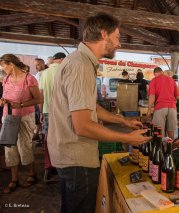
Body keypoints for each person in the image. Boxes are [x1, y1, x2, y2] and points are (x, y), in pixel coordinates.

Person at [47, 13, 150, 213]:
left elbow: (90, 107)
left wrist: (121, 121)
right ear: (104, 34)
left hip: (69, 154)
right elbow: (83, 126)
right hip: (77, 157)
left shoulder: (80, 61)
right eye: (118, 37)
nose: (119, 44)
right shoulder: (81, 66)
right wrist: (127, 138)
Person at [0, 54, 42, 193]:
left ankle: (32, 174)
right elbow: (5, 96)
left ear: (11, 64)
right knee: (9, 147)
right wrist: (3, 101)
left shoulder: (29, 79)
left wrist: (21, 104)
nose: (2, 68)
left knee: (25, 146)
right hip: (8, 117)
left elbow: (38, 99)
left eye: (3, 65)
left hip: (25, 117)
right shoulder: (6, 79)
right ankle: (14, 178)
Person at [39, 52, 66, 182]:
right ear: (61, 60)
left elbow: (41, 95)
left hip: (46, 111)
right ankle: (61, 166)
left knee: (47, 139)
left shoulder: (44, 73)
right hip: (62, 112)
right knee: (61, 138)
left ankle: (48, 167)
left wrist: (40, 113)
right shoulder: (64, 71)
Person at [147, 67, 179, 139]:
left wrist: (149, 109)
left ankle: (162, 148)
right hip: (172, 108)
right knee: (171, 132)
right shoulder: (172, 80)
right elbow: (177, 96)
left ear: (156, 73)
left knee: (160, 132)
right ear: (162, 72)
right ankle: (170, 147)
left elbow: (152, 96)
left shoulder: (154, 80)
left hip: (160, 107)